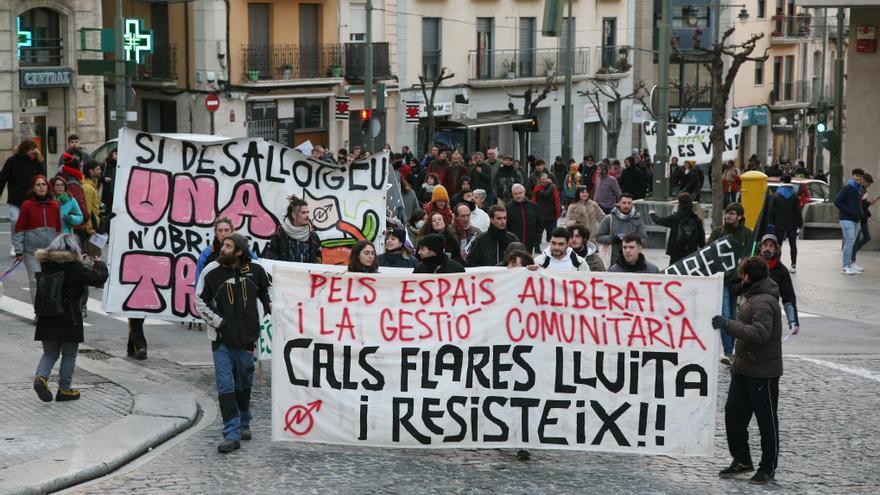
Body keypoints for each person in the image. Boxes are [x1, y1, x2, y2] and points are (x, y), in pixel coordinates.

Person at [196, 233, 272, 453]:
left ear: (239, 251)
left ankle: (244, 419)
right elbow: (199, 300)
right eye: (223, 245)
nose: (223, 248)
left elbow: (266, 292)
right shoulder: (212, 271)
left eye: (228, 246)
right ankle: (231, 433)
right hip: (221, 341)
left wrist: (268, 310)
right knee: (225, 385)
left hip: (247, 340)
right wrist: (219, 323)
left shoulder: (256, 271)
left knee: (243, 384)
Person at [712, 256, 782, 485]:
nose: (740, 279)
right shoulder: (752, 296)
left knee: (766, 422)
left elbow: (759, 334)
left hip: (762, 372)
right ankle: (742, 460)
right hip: (742, 369)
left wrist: (727, 325)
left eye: (742, 275)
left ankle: (767, 467)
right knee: (733, 414)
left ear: (749, 277)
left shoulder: (763, 302)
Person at [32, 234, 109, 402]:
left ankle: (41, 378)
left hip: (47, 316)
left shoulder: (46, 264)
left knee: (50, 353)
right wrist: (100, 264)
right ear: (74, 249)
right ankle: (64, 389)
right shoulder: (75, 267)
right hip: (70, 317)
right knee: (69, 354)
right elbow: (99, 278)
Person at [708, 203, 754, 364]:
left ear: (740, 216)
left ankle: (734, 351)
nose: (728, 216)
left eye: (732, 213)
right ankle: (729, 352)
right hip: (722, 282)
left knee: (735, 319)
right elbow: (708, 254)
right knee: (725, 316)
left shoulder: (747, 234)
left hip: (738, 283)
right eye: (727, 213)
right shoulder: (718, 232)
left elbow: (751, 256)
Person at [14, 176, 61, 304]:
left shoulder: (55, 205)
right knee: (35, 280)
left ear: (48, 187)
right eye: (38, 185)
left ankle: (49, 308)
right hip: (31, 251)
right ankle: (38, 311)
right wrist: (19, 250)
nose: (41, 187)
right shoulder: (27, 205)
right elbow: (20, 228)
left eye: (43, 184)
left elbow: (58, 230)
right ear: (33, 188)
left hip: (49, 252)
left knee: (49, 280)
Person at [1, 139, 45, 256]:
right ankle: (15, 245)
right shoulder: (12, 161)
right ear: (24, 149)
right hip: (15, 198)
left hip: (31, 199)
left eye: (35, 149)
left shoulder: (36, 162)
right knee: (15, 220)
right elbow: (2, 178)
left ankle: (29, 244)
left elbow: (42, 178)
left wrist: (39, 159)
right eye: (31, 149)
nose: (33, 151)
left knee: (32, 223)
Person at [750, 234, 800, 336]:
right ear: (760, 247)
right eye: (765, 245)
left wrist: (793, 321)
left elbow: (788, 298)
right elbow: (735, 288)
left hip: (769, 314)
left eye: (771, 246)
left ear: (776, 249)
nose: (767, 248)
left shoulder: (781, 271)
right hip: (750, 313)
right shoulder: (750, 265)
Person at [196, 217, 259, 282]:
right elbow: (199, 279)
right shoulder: (207, 253)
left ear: (232, 231)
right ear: (216, 233)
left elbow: (258, 267)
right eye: (220, 230)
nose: (223, 234)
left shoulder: (242, 249)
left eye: (226, 230)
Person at [649, 193, 706, 265]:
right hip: (691, 251)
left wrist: (652, 214)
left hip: (676, 251)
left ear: (680, 204)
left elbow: (659, 220)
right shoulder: (696, 219)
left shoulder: (675, 217)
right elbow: (701, 237)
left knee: (674, 273)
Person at [263, 195, 322, 263]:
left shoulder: (314, 237)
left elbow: (318, 263)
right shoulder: (279, 235)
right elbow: (270, 261)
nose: (307, 215)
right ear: (293, 215)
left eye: (307, 212)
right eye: (303, 212)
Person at [596, 193, 647, 267]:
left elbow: (644, 239)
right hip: (613, 259)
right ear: (619, 203)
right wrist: (613, 238)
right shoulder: (609, 219)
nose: (627, 206)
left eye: (629, 203)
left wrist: (633, 240)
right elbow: (598, 237)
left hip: (632, 261)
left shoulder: (637, 219)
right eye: (624, 203)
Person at [767, 175, 802, 272]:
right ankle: (793, 265)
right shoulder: (794, 196)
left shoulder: (776, 195)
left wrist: (772, 222)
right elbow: (798, 212)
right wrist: (800, 224)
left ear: (782, 182)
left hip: (779, 223)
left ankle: (777, 262)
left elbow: (771, 210)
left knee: (778, 245)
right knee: (793, 244)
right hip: (792, 224)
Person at [834, 168, 864, 275]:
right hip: (846, 219)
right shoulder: (848, 188)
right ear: (852, 176)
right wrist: (850, 211)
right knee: (849, 241)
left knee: (852, 242)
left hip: (856, 220)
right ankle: (845, 266)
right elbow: (837, 201)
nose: (858, 178)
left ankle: (850, 264)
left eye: (860, 176)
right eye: (856, 175)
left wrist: (860, 215)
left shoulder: (858, 189)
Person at [506, 184, 542, 253]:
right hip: (514, 245)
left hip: (529, 244)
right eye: (516, 194)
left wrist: (537, 237)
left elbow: (539, 223)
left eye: (520, 193)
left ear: (524, 193)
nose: (518, 196)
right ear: (512, 194)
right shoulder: (507, 208)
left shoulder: (533, 206)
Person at [853, 174, 878, 270]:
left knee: (866, 237)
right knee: (857, 239)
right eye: (869, 184)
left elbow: (863, 205)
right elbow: (861, 206)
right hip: (859, 218)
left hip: (863, 217)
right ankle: (852, 258)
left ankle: (853, 253)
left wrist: (869, 214)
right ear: (865, 181)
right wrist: (869, 204)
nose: (869, 186)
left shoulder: (863, 190)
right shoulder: (860, 190)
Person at [531, 174, 561, 242]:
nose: (544, 180)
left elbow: (557, 199)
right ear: (539, 180)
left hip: (552, 215)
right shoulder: (538, 188)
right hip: (541, 215)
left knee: (553, 235)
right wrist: (551, 186)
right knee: (538, 235)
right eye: (543, 179)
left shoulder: (552, 187)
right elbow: (545, 194)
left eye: (545, 178)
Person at [98, 148, 117, 233]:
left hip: (116, 194)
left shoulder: (121, 165)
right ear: (112, 154)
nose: (117, 156)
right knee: (107, 213)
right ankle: (106, 231)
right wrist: (104, 178)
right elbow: (97, 177)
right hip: (106, 194)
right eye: (116, 154)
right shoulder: (105, 165)